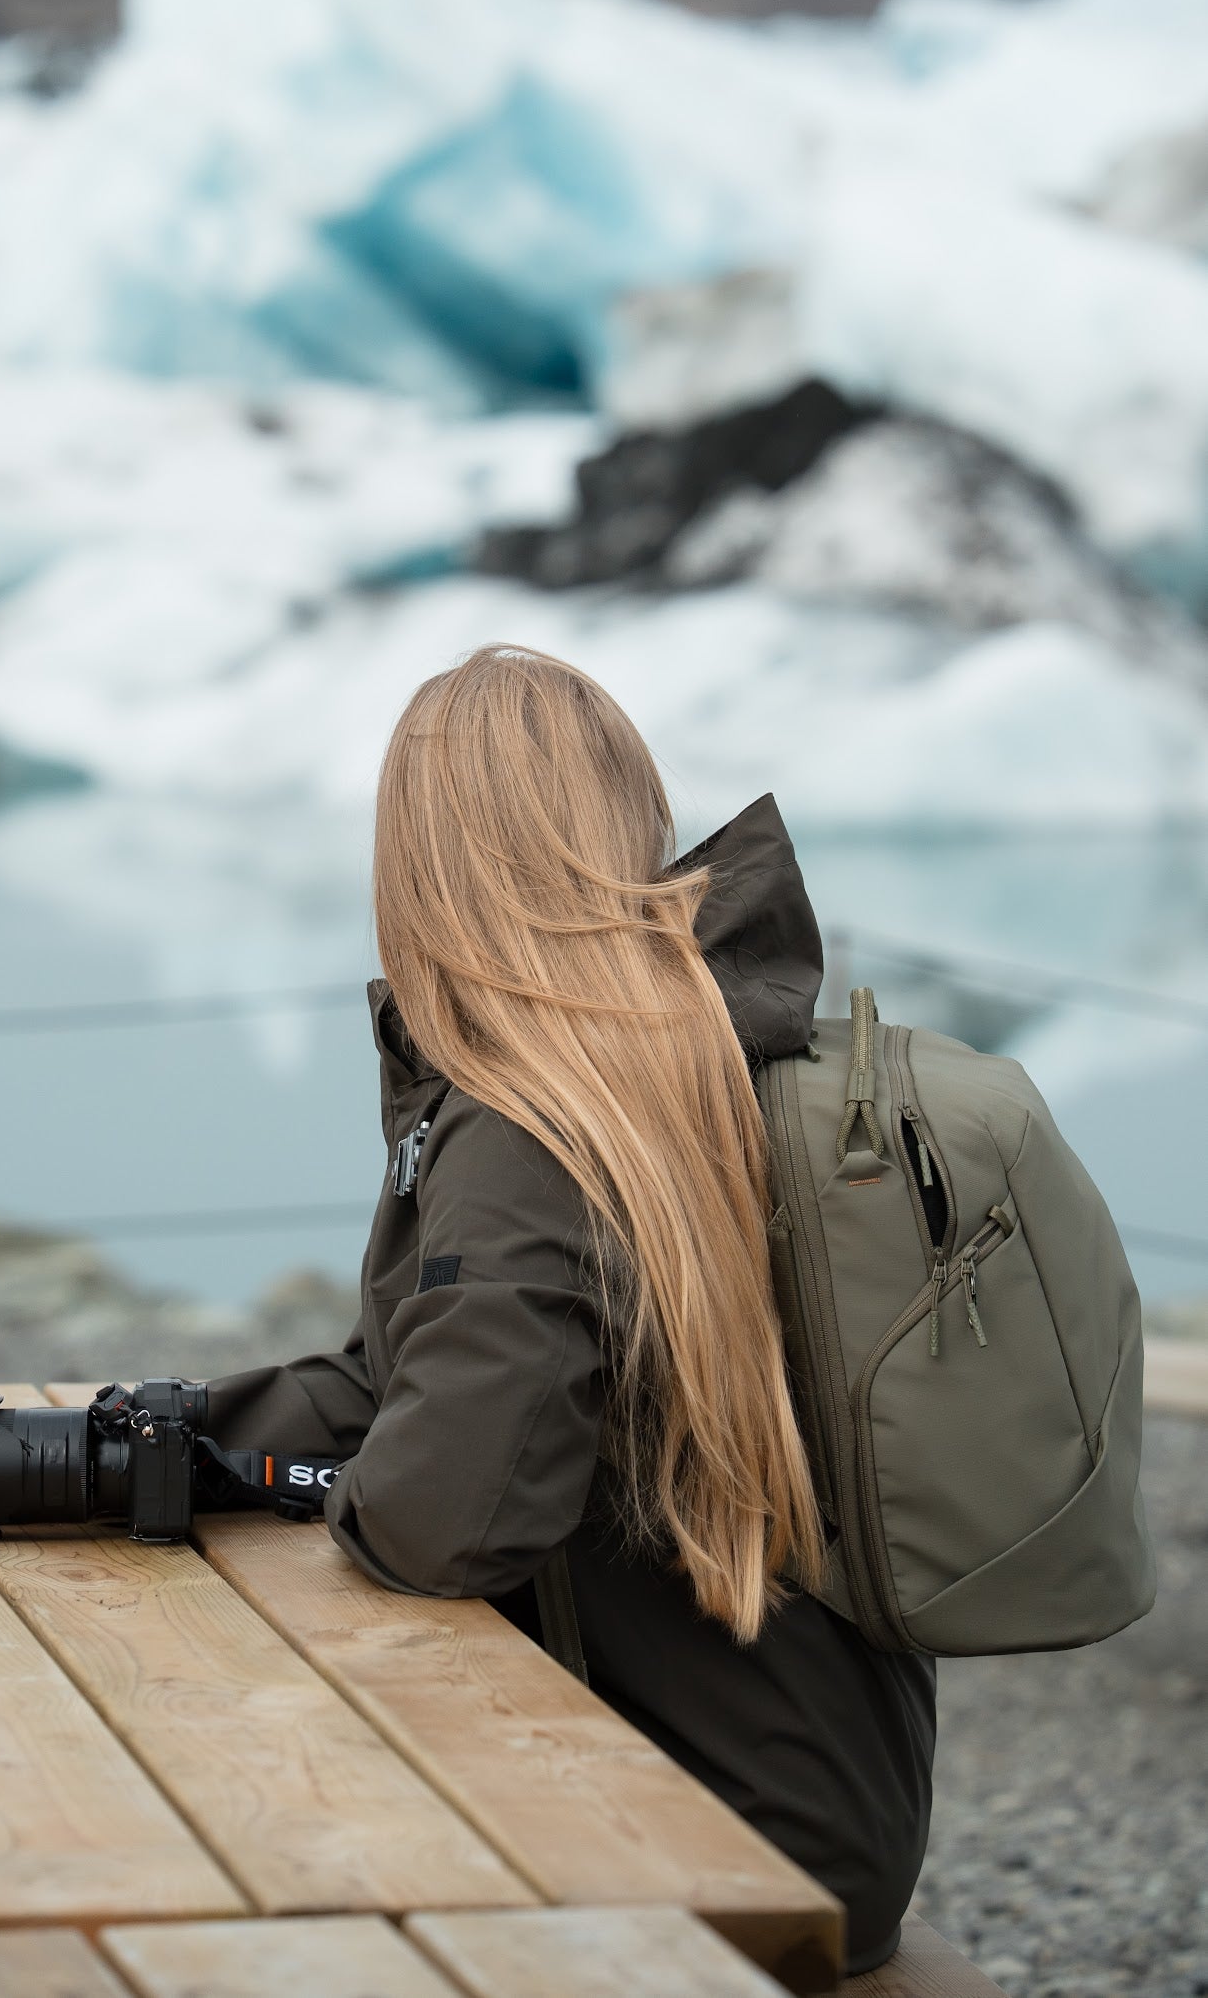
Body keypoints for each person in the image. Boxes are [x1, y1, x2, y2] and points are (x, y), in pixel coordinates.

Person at [203, 644, 934, 1972]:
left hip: (707, 1835)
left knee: (230, 1811)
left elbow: (447, 1523)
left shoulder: (532, 1121)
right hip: (824, 1792)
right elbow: (417, 1373)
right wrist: (191, 1436)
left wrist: (333, 1492)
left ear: (426, 863)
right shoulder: (695, 1055)